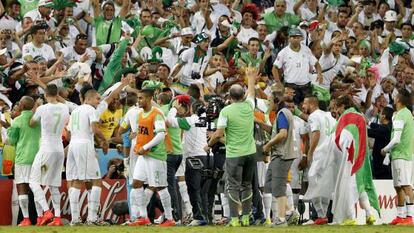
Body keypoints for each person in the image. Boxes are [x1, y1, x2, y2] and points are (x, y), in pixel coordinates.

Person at [207, 67, 257, 227]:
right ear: (243, 96)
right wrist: (250, 78)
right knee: (247, 185)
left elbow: (219, 133)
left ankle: (235, 219)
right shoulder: (249, 106)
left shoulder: (226, 111)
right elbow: (252, 93)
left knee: (233, 186)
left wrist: (208, 144)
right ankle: (247, 218)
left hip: (234, 154)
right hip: (251, 153)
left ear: (229, 96)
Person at [128, 81, 175, 227]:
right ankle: (143, 217)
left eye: (141, 98)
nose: (139, 100)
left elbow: (161, 135)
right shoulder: (141, 114)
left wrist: (146, 147)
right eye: (138, 98)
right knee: (136, 183)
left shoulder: (157, 114)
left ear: (149, 99)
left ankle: (169, 218)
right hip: (143, 155)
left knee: (161, 187)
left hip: (156, 155)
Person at [66, 89, 110, 226]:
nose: (98, 102)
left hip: (73, 145)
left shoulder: (75, 111)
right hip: (84, 145)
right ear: (89, 98)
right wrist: (105, 141)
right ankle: (92, 218)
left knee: (76, 180)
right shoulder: (91, 110)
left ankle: (75, 218)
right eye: (97, 99)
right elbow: (95, 129)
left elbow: (68, 133)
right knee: (96, 180)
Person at [167, 95, 212, 226]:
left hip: (194, 157)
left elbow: (169, 121)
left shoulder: (191, 120)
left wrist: (174, 109)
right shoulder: (205, 120)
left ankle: (198, 217)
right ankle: (206, 217)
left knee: (193, 189)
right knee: (204, 192)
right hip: (207, 156)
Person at [28, 84, 70, 226]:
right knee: (53, 185)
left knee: (33, 181)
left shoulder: (42, 108)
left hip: (46, 148)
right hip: (59, 149)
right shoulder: (64, 108)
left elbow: (32, 123)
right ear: (57, 94)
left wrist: (35, 107)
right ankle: (57, 217)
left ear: (45, 94)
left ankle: (46, 212)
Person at [262, 85, 299, 227]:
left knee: (278, 186)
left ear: (276, 100)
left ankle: (281, 219)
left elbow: (282, 134)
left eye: (270, 100)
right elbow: (276, 131)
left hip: (282, 154)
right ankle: (289, 212)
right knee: (270, 184)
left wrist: (268, 145)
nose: (268, 103)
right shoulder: (284, 113)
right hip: (281, 154)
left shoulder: (282, 113)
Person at [159, 92, 192, 224]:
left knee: (168, 186)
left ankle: (174, 216)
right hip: (178, 153)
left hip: (169, 153)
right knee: (166, 185)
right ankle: (172, 214)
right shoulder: (180, 116)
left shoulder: (165, 111)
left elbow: (165, 124)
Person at [381, 90, 414, 225]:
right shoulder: (406, 114)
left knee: (406, 186)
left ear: (398, 100)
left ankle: (410, 217)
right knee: (398, 186)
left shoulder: (401, 115)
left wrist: (385, 149)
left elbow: (396, 139)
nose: (393, 97)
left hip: (402, 155)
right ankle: (400, 216)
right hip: (402, 155)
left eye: (395, 96)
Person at [302, 95, 336, 225]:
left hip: (320, 154)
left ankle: (321, 214)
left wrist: (309, 152)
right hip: (330, 154)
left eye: (304, 104)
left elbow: (316, 134)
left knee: (312, 181)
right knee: (325, 185)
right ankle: (323, 216)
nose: (303, 107)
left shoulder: (313, 116)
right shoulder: (329, 116)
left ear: (311, 104)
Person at [7, 96, 41, 226]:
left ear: (21, 106)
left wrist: (9, 129)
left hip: (22, 158)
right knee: (36, 188)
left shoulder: (17, 120)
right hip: (37, 158)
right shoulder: (38, 120)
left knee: (22, 187)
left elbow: (12, 141)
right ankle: (39, 218)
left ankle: (26, 219)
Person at [272, 28, 323, 105]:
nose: (296, 39)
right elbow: (274, 68)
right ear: (289, 38)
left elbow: (316, 64)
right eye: (293, 37)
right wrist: (278, 82)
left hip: (306, 85)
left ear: (301, 38)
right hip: (291, 86)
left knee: (308, 107)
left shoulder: (306, 50)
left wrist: (319, 73)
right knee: (292, 107)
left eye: (298, 37)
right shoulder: (283, 52)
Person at [368, 107, 393, 179]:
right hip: (385, 165)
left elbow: (369, 132)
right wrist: (369, 122)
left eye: (380, 113)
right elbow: (378, 127)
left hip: (382, 166)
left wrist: (358, 126)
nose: (379, 114)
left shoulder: (384, 129)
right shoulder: (389, 126)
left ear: (383, 116)